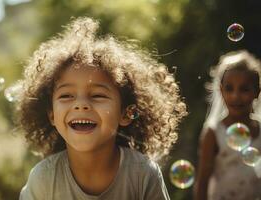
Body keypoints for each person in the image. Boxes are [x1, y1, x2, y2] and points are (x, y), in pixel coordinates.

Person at [16, 17, 186, 200]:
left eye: (98, 95)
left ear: (126, 113)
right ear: (51, 115)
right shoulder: (44, 179)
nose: (80, 104)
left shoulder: (143, 174)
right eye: (66, 96)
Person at [194, 50, 261, 200]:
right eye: (229, 89)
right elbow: (202, 182)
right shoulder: (213, 133)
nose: (235, 96)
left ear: (257, 92)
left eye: (244, 89)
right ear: (221, 91)